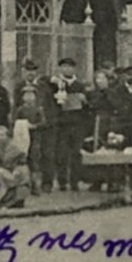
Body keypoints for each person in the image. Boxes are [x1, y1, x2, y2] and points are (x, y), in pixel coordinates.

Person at [45, 57, 88, 192]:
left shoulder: (79, 85)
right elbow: (41, 82)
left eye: (70, 67)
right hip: (61, 124)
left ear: (74, 69)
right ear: (60, 69)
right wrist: (52, 80)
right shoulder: (54, 83)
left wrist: (84, 100)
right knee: (61, 153)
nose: (67, 69)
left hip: (76, 124)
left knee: (76, 153)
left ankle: (75, 181)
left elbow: (86, 107)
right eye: (64, 67)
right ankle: (62, 181)